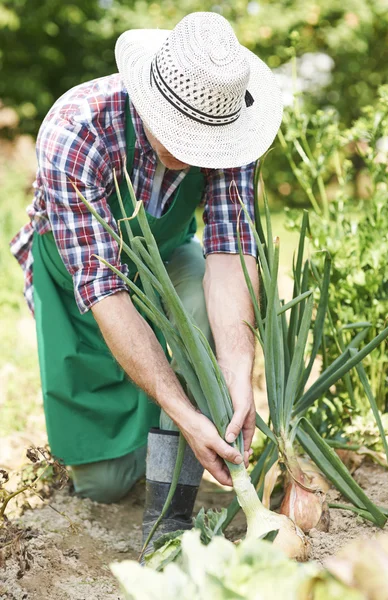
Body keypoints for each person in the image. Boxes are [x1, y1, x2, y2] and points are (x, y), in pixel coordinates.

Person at [10, 11, 282, 549]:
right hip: (82, 281)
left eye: (206, 142)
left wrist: (236, 371)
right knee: (107, 483)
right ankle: (155, 431)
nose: (193, 155)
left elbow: (230, 258)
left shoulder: (232, 126)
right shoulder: (77, 129)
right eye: (184, 136)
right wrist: (183, 413)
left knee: (204, 306)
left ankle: (168, 519)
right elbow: (106, 294)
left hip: (169, 253)